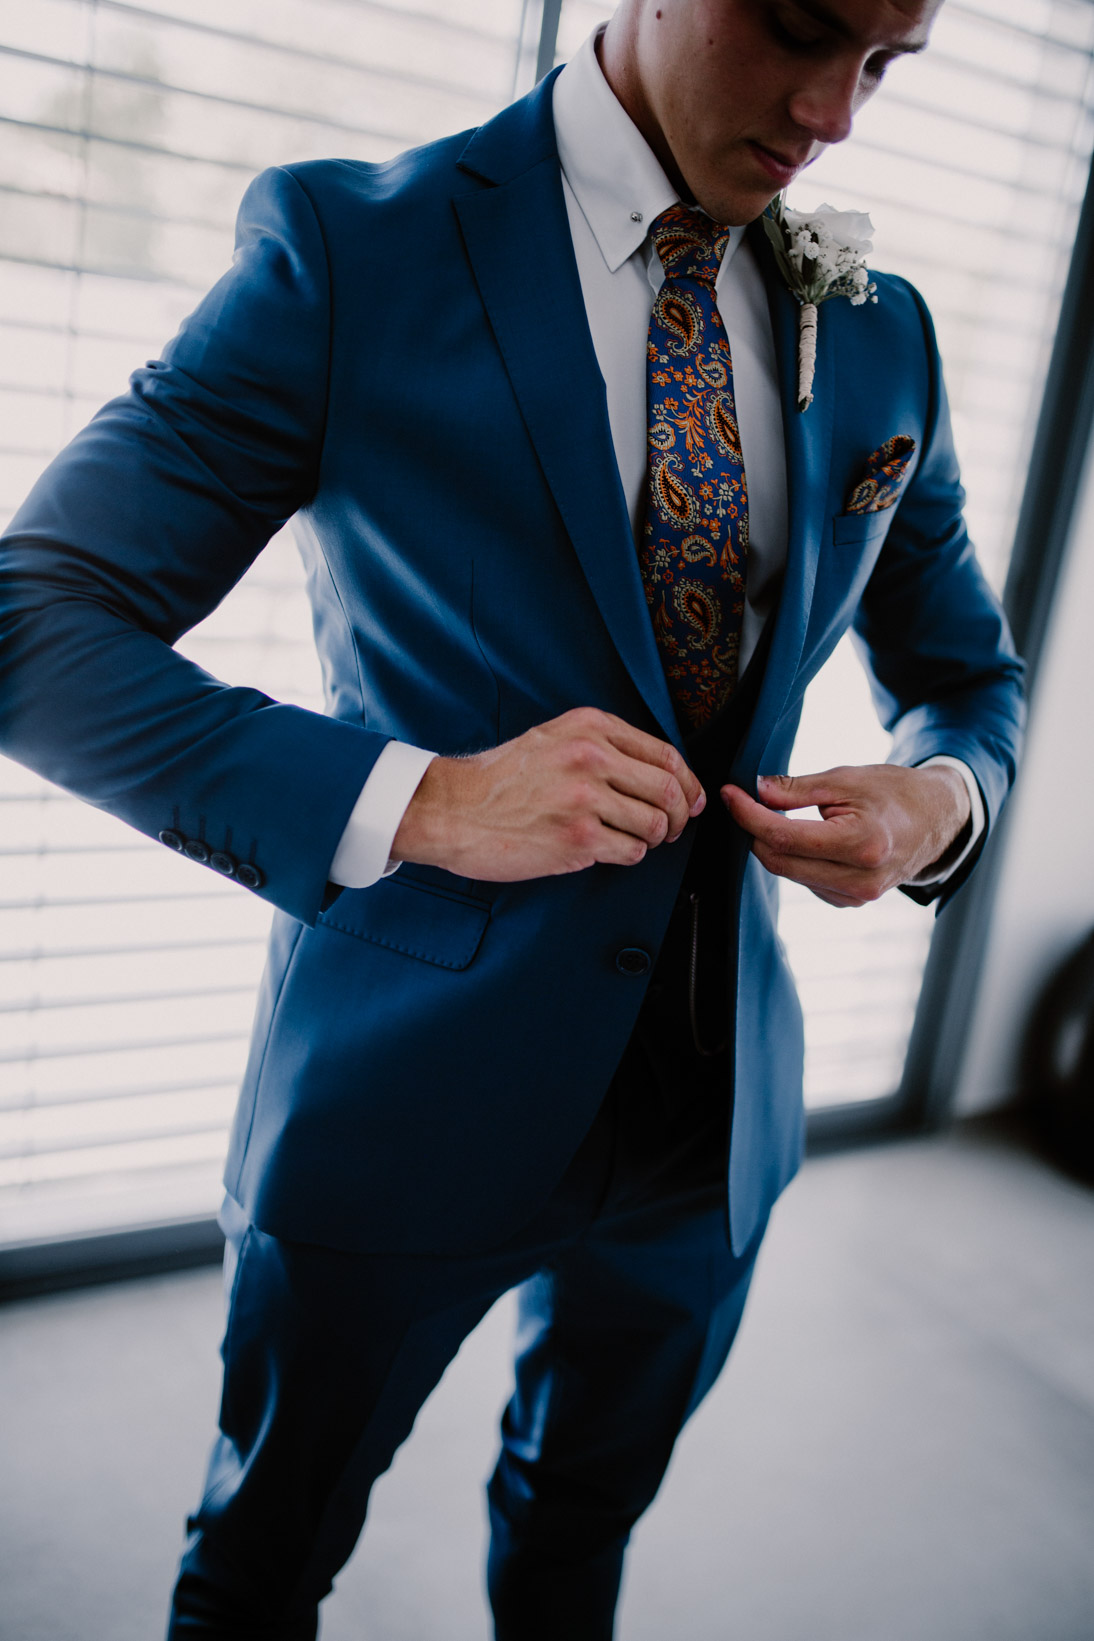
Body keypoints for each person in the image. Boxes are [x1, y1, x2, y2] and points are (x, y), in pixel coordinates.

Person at [0, 0, 1024, 1635]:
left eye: (888, 60)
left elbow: (968, 677)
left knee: (576, 1543)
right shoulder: (354, 248)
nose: (833, 111)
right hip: (402, 1089)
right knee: (264, 1556)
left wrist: (935, 799)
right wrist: (422, 798)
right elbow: (35, 621)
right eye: (800, 27)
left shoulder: (879, 326)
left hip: (714, 1114)